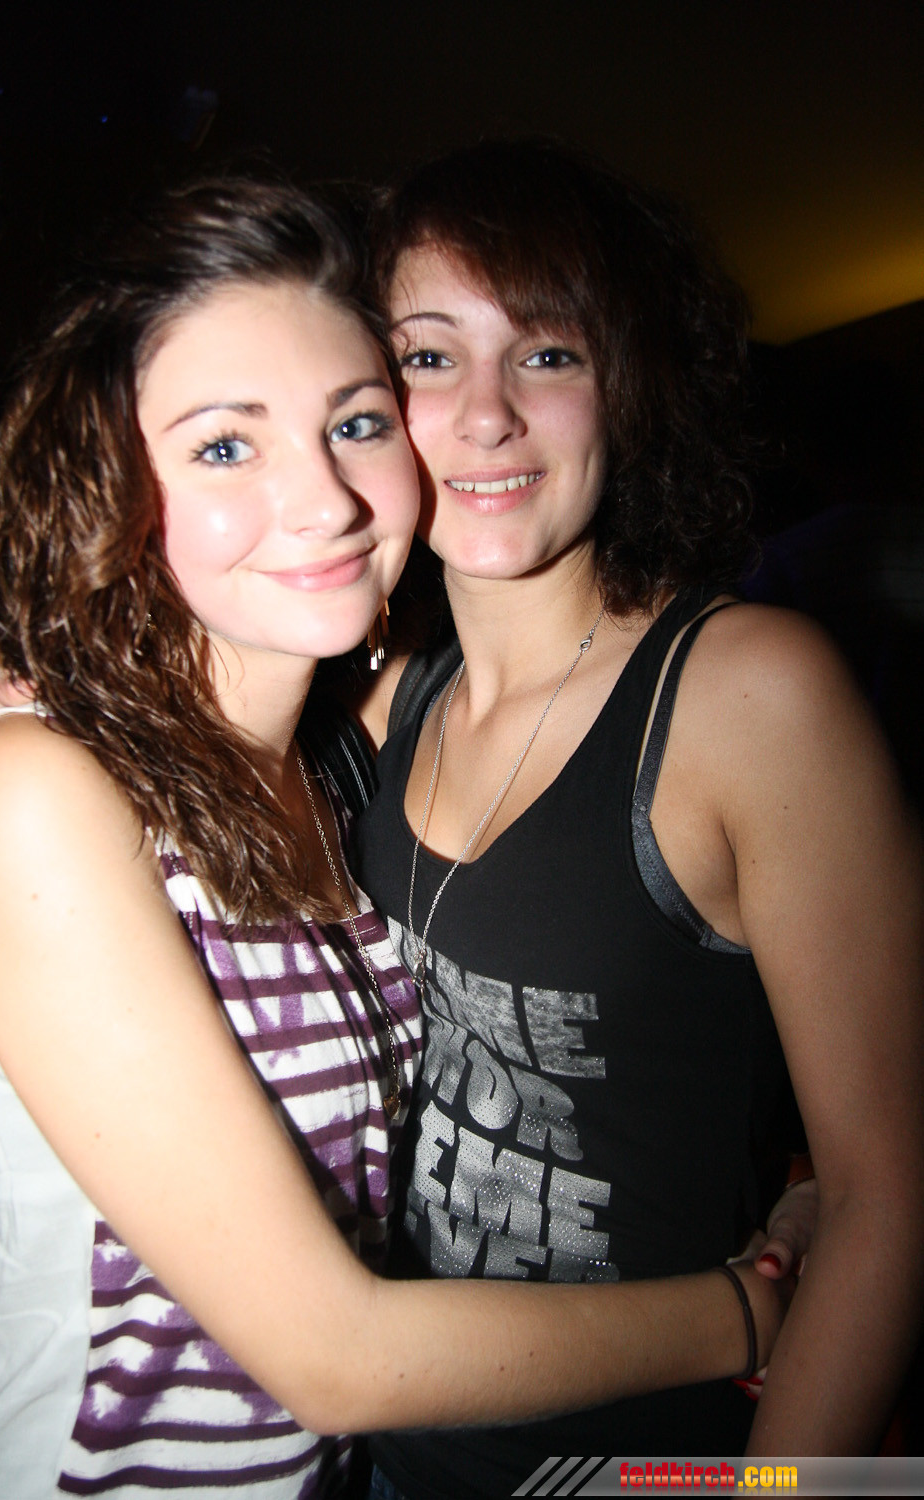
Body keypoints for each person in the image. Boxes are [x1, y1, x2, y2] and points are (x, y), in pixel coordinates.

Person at [0, 174, 791, 1500]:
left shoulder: (336, 766)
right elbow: (338, 1359)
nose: (326, 498)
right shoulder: (39, 791)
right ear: (111, 487)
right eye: (225, 446)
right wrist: (750, 1309)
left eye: (356, 422)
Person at [343, 141, 923, 1484]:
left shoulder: (749, 695)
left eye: (547, 354)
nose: (487, 415)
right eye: (429, 357)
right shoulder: (383, 688)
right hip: (376, 1443)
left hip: (647, 1457)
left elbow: (886, 1197)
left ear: (628, 386)